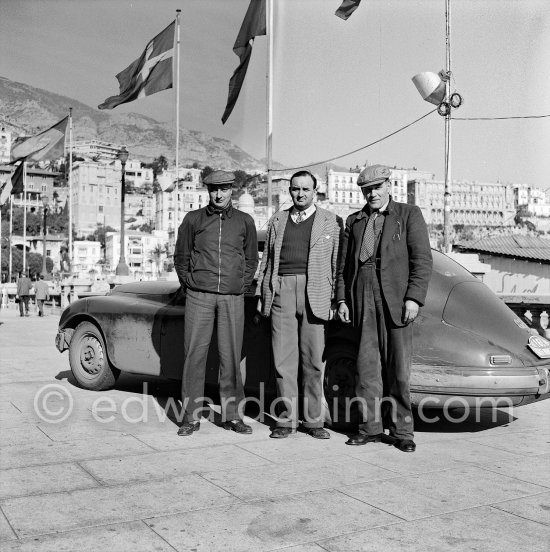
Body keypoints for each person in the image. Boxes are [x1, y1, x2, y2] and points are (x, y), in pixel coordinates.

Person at [336, 164, 432, 452]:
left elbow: (422, 260)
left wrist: (413, 298)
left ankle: (402, 432)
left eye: (377, 187)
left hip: (396, 297)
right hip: (361, 293)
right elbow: (342, 266)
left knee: (399, 370)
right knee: (367, 368)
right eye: (367, 189)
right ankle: (370, 428)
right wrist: (342, 299)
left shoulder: (408, 215)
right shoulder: (354, 221)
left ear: (389, 185)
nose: (372, 194)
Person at [256, 170, 342, 439]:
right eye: (295, 189)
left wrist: (335, 299)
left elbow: (337, 264)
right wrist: (263, 294)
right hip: (281, 289)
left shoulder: (331, 221)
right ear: (289, 191)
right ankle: (287, 420)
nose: (300, 194)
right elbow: (267, 262)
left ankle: (314, 421)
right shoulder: (278, 220)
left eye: (306, 189)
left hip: (315, 294)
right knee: (283, 361)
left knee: (313, 361)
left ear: (315, 191)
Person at [174, 170, 258, 436]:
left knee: (231, 357)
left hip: (232, 298)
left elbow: (251, 260)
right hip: (199, 296)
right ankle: (190, 417)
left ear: (232, 189)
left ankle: (232, 416)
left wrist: (239, 286)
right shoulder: (193, 219)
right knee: (193, 356)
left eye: (223, 189)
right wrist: (192, 282)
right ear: (207, 191)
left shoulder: (245, 221)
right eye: (213, 189)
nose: (219, 194)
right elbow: (181, 256)